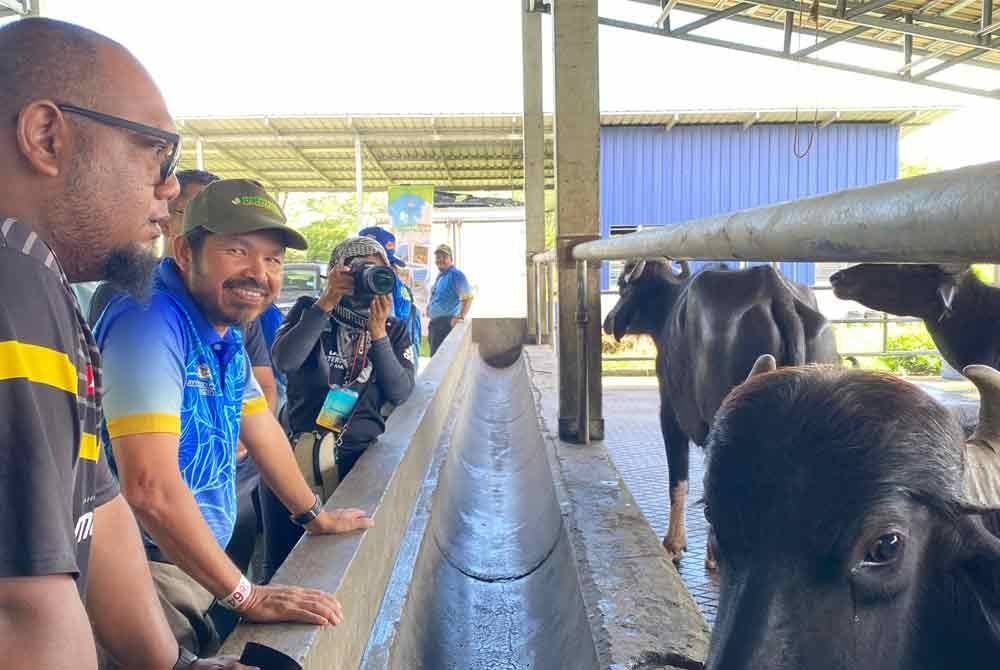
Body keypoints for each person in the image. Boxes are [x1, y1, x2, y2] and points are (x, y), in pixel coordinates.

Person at [0, 17, 252, 670]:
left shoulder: (50, 283)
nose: (169, 190)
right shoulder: (12, 270)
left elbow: (99, 505)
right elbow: (20, 608)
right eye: (155, 152)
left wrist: (175, 666)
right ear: (47, 137)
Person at [95, 179, 374, 658]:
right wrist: (248, 594)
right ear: (185, 251)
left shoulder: (220, 330)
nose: (258, 273)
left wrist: (313, 513)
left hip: (193, 562)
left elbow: (260, 424)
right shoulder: (149, 319)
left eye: (273, 259)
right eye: (237, 250)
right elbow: (149, 488)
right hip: (146, 569)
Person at [264, 236, 416, 576]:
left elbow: (401, 391)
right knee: (282, 561)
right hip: (297, 457)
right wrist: (326, 303)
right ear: (337, 271)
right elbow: (286, 361)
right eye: (359, 271)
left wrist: (377, 334)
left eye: (379, 272)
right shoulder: (309, 311)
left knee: (343, 565)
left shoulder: (392, 329)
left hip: (355, 458)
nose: (368, 279)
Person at [88, 168, 219, 328]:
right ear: (165, 223)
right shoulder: (121, 292)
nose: (217, 228)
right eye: (201, 215)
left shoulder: (233, 297)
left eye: (225, 218)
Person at [359, 225, 422, 371]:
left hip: (395, 352)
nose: (392, 270)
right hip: (395, 352)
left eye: (390, 264)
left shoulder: (387, 283)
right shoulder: (386, 282)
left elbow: (387, 323)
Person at [426, 243, 473, 355]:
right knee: (435, 358)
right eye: (438, 257)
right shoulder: (441, 276)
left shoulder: (456, 275)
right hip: (435, 325)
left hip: (446, 325)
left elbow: (468, 298)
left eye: (444, 257)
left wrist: (460, 316)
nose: (440, 260)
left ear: (451, 259)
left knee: (441, 361)